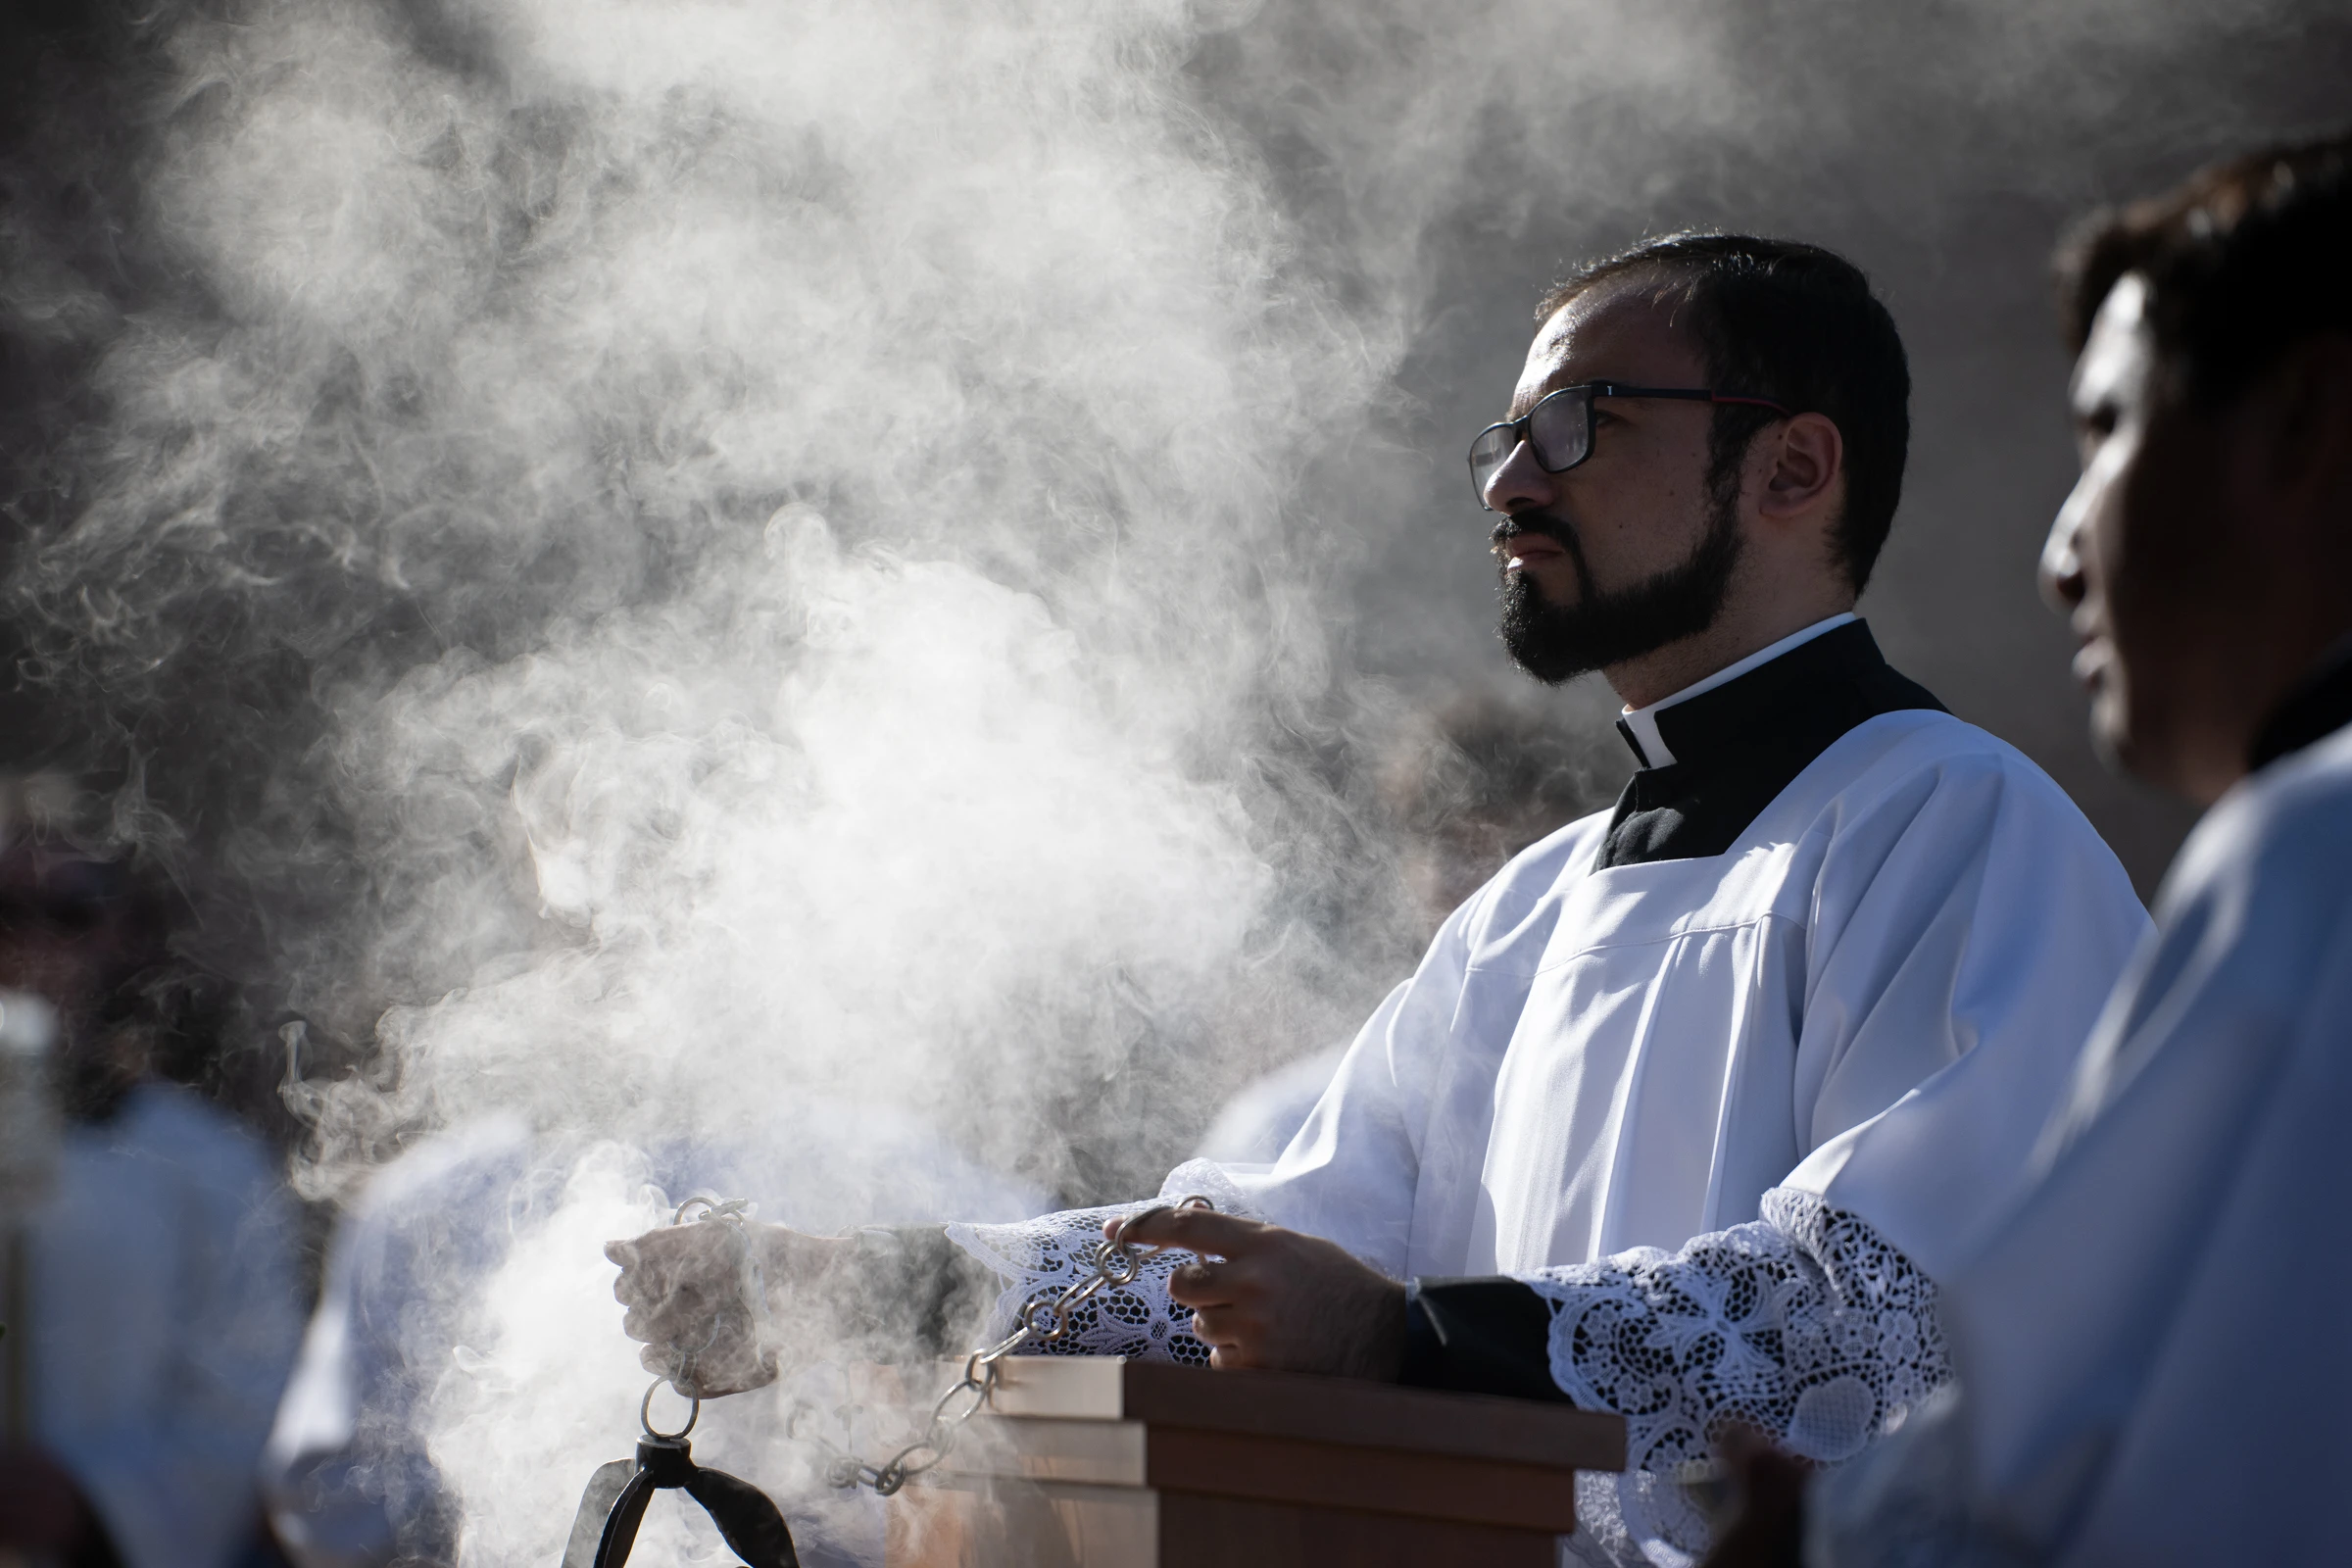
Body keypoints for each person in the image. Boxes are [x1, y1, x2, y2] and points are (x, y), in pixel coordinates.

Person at [609, 234, 2152, 1564]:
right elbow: (1262, 1254)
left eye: (1571, 422)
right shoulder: (1530, 908)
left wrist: (1414, 1343)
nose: (1507, 479)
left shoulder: (1955, 824)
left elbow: (1890, 1312)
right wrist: (882, 1278)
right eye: (1502, 434)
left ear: (1792, 467)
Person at [1775, 132, 2352, 1568]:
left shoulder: (2315, 849)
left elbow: (2059, 1475)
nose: (2061, 556)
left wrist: (1824, 1540)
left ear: (2305, 420)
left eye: (2107, 433)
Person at [0, 782, 302, 1568]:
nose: (30, 944)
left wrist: (90, 1500)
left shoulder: (207, 1163)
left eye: (69, 913)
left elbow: (243, 1405)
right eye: (3, 909)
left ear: (123, 933)